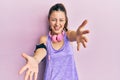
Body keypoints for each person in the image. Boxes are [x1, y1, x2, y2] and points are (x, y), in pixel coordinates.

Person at [19, 3, 90, 80]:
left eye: (61, 20)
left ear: (65, 20)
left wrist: (76, 35)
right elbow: (41, 51)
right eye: (54, 20)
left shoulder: (68, 35)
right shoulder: (44, 39)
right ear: (49, 20)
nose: (57, 24)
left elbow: (73, 35)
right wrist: (35, 60)